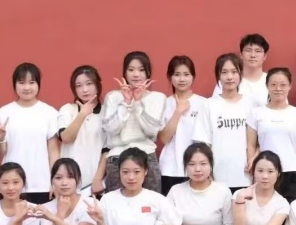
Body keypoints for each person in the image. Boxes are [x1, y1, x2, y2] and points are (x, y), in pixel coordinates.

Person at [0, 62, 59, 225]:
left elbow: (53, 150)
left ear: (38, 84)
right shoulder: (4, 112)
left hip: (41, 183)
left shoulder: (49, 113)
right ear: (14, 85)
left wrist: (54, 181)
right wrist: (0, 138)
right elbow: (0, 152)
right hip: (13, 186)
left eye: (32, 82)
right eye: (21, 82)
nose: (26, 87)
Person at [102, 51, 166, 193]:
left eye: (141, 70)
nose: (136, 74)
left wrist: (137, 103)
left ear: (148, 72)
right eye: (131, 70)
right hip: (117, 158)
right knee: (116, 205)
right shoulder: (113, 97)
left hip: (146, 156)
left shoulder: (157, 98)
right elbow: (111, 129)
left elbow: (151, 130)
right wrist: (126, 103)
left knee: (150, 204)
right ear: (125, 73)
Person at [247, 67, 296, 202]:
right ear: (267, 86)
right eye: (273, 84)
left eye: (283, 85)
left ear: (289, 86)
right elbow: (251, 145)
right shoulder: (256, 113)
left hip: (292, 172)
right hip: (265, 173)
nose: (278, 89)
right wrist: (254, 171)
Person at [193, 53, 255, 192]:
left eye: (234, 72)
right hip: (218, 176)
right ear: (218, 75)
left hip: (246, 176)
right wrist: (207, 170)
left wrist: (254, 160)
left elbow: (258, 140)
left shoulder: (250, 104)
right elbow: (203, 143)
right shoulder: (209, 105)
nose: (229, 77)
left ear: (240, 74)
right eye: (224, 72)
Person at [158, 56, 206, 196]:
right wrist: (178, 111)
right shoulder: (165, 103)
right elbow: (164, 138)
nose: (182, 79)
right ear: (170, 77)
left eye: (186, 74)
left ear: (193, 76)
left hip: (197, 168)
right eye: (177, 74)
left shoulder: (204, 103)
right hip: (170, 168)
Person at [58, 65, 107, 196]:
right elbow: (66, 138)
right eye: (79, 86)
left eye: (89, 84)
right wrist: (82, 114)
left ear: (97, 85)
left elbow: (107, 150)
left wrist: (98, 179)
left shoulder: (106, 112)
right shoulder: (67, 109)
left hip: (94, 184)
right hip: (68, 182)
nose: (84, 90)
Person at [212, 34, 270, 106]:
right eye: (248, 50)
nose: (253, 55)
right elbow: (215, 106)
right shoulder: (227, 81)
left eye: (258, 51)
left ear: (264, 56)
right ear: (241, 55)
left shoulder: (271, 81)